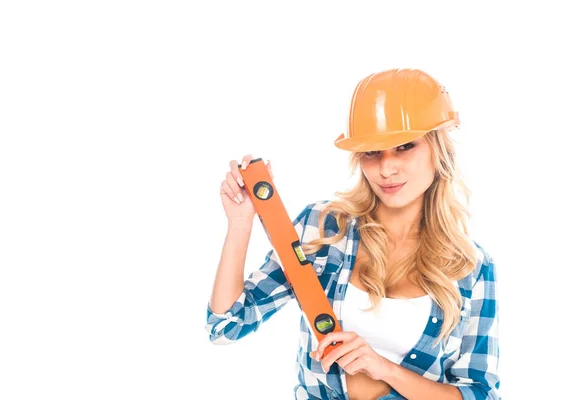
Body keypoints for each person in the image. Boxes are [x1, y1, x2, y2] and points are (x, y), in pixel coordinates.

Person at [204, 68, 500, 400]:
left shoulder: (469, 266)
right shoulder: (324, 229)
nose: (386, 169)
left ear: (437, 148)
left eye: (404, 146)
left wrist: (385, 369)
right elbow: (226, 326)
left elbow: (481, 393)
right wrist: (240, 224)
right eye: (372, 151)